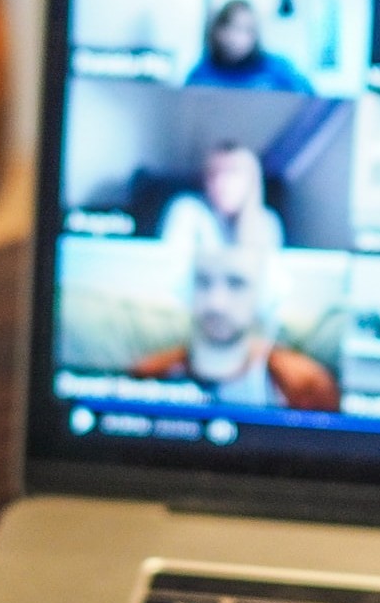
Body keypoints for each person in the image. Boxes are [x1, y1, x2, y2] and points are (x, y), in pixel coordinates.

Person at [129, 245, 341, 411]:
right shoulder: (149, 375)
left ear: (263, 295)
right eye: (203, 282)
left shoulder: (307, 385)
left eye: (236, 283)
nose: (216, 303)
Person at [160, 142, 286, 253]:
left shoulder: (267, 222)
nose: (220, 182)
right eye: (213, 173)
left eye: (232, 172)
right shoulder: (187, 210)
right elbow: (172, 266)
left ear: (252, 180)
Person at [185, 0, 314, 92]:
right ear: (218, 32)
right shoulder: (201, 73)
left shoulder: (279, 69)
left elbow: (312, 102)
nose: (237, 38)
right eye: (232, 28)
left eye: (247, 30)